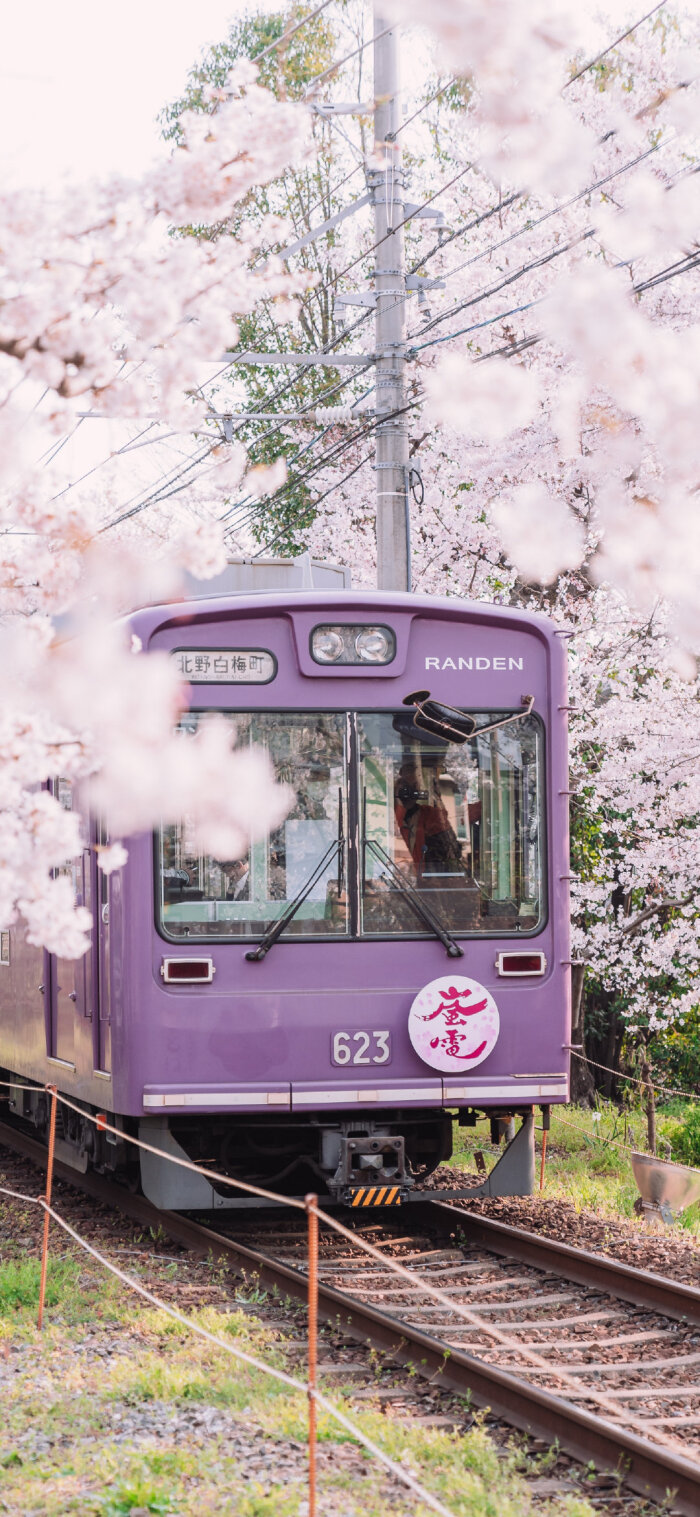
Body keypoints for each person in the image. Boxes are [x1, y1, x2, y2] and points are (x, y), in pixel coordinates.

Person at [394, 757, 463, 876]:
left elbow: (450, 847)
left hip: (430, 880)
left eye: (413, 784)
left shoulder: (429, 814)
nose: (407, 790)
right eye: (403, 786)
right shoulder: (391, 813)